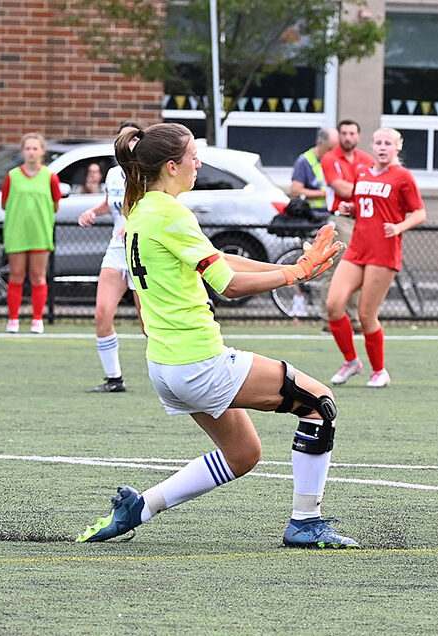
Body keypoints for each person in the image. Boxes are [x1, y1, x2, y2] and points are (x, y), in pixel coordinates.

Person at [75, 123, 357, 548]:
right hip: (199, 361)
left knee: (243, 454)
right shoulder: (170, 212)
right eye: (192, 156)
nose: (198, 163)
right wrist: (293, 274)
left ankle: (141, 507)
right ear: (172, 166)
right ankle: (306, 522)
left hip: (166, 367)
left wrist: (298, 266)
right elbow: (228, 284)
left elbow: (218, 257)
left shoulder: (143, 210)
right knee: (319, 403)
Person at [325, 128, 426, 388]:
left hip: (383, 252)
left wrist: (399, 227)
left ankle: (379, 371)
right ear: (372, 145)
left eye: (388, 143)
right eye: (378, 142)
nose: (382, 147)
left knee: (366, 314)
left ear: (397, 147)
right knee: (334, 305)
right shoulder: (363, 172)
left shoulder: (403, 176)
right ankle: (351, 362)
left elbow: (419, 213)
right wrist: (351, 208)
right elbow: (367, 206)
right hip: (358, 248)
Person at [77, 123, 143, 392]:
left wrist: (135, 222)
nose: (127, 142)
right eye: (122, 137)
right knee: (102, 313)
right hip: (117, 250)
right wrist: (93, 211)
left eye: (133, 138)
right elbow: (112, 203)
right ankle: (114, 379)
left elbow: (153, 205)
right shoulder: (114, 174)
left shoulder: (149, 173)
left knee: (148, 322)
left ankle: (174, 376)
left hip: (143, 249)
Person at [1, 132, 61, 334]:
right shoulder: (12, 176)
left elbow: (55, 204)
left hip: (39, 233)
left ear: (42, 151)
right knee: (16, 275)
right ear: (22, 151)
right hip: (17, 232)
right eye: (28, 148)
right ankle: (13, 319)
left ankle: (37, 319)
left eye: (35, 148)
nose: (31, 152)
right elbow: (4, 203)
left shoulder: (50, 176)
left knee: (38, 276)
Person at [318, 118, 374, 330]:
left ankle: (354, 318)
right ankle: (329, 318)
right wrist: (364, 188)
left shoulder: (366, 159)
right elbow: (340, 188)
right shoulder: (330, 158)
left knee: (361, 270)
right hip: (341, 220)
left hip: (363, 219)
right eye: (344, 133)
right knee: (337, 267)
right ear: (338, 136)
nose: (348, 137)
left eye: (352, 133)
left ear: (358, 136)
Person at [289, 127, 337, 214]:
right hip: (312, 214)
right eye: (329, 149)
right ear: (320, 143)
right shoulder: (304, 161)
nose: (332, 153)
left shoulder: (336, 160)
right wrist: (323, 194)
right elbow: (295, 191)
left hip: (333, 213)